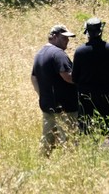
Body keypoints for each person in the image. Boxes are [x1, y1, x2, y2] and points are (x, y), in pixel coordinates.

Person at [30, 24, 78, 155]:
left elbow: (33, 78)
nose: (67, 40)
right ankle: (70, 167)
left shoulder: (39, 53)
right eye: (64, 38)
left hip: (47, 106)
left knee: (47, 141)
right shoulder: (58, 54)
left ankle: (42, 166)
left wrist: (43, 95)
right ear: (54, 37)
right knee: (69, 140)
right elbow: (67, 76)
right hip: (65, 107)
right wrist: (84, 80)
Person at [72, 17, 109, 135]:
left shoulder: (80, 51)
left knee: (87, 131)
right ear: (101, 31)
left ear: (87, 32)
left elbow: (74, 78)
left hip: (86, 99)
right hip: (106, 97)